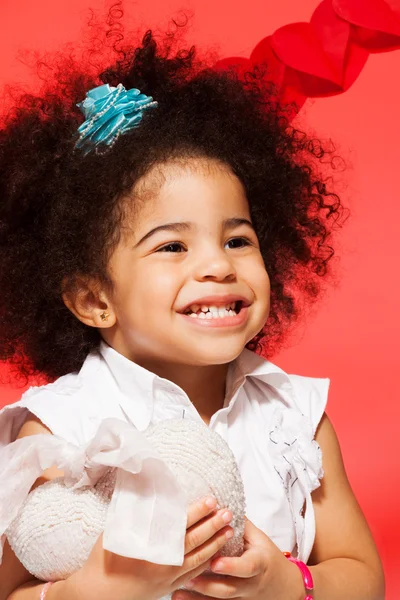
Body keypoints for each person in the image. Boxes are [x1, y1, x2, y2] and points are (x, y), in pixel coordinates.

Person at [0, 9, 384, 600]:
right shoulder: (60, 429)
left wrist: (286, 583)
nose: (217, 265)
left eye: (237, 239)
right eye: (173, 245)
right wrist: (102, 587)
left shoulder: (293, 416)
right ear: (93, 299)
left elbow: (363, 575)